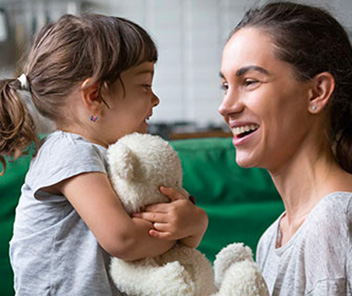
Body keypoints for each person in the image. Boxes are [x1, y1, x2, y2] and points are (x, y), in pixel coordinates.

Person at [0, 14, 208, 295]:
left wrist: (189, 223)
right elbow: (124, 240)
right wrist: (187, 228)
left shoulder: (110, 157)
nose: (155, 99)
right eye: (145, 86)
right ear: (95, 95)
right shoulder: (68, 150)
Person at [218, 1, 352, 295]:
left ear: (316, 92)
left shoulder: (335, 218)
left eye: (249, 82)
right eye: (225, 86)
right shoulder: (272, 237)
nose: (225, 107)